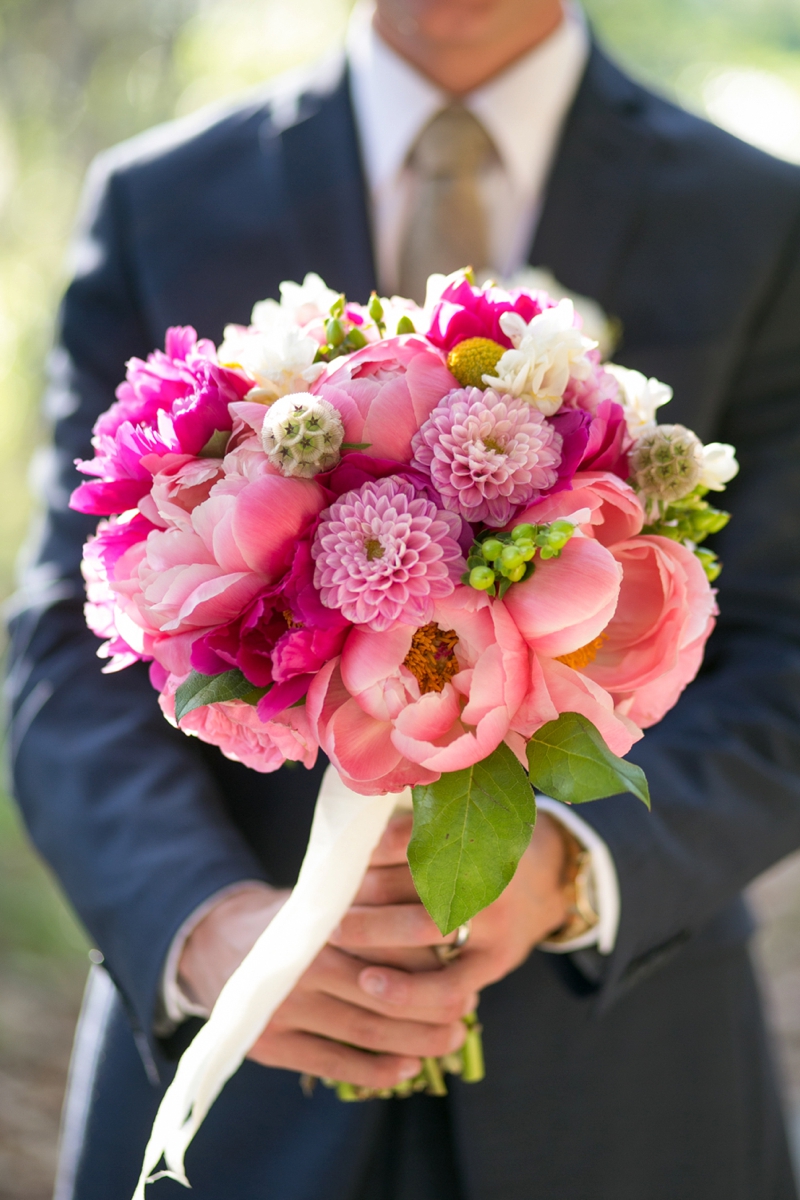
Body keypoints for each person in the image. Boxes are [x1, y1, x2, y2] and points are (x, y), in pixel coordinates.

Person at [7, 0, 800, 1196]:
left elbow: (787, 644)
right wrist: (203, 928)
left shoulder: (757, 216)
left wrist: (575, 865)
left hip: (628, 1081)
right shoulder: (159, 198)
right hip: (244, 1078)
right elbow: (74, 635)